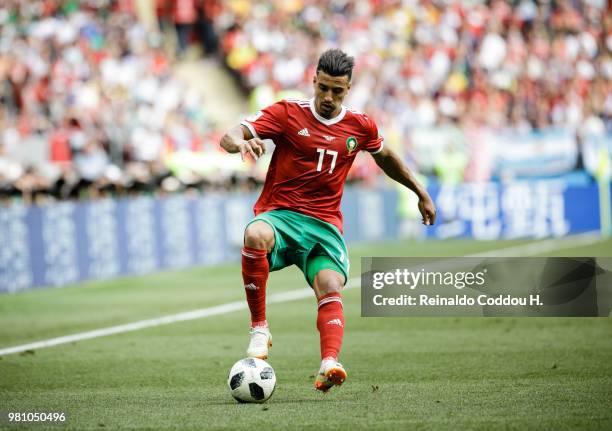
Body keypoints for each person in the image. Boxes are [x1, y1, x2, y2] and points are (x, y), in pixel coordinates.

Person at [220, 49, 436, 392]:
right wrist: (240, 144)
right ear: (314, 81)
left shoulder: (360, 126)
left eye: (337, 91)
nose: (328, 98)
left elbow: (387, 159)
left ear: (347, 89)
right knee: (255, 234)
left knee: (331, 285)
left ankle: (329, 363)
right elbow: (231, 133)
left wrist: (419, 192)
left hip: (323, 225)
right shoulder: (288, 113)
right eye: (323, 88)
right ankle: (259, 327)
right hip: (282, 216)